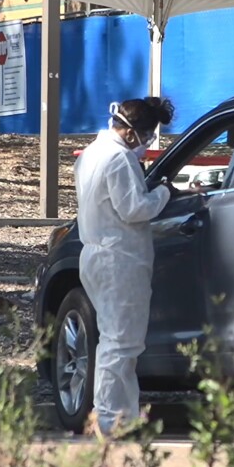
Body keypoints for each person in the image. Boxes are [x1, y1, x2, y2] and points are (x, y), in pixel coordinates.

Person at [74, 96, 175, 435]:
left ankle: (123, 418)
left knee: (115, 342)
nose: (147, 144)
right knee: (121, 344)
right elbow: (134, 209)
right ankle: (108, 420)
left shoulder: (91, 153)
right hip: (119, 259)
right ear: (134, 133)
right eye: (148, 136)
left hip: (95, 254)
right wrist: (164, 193)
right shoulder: (118, 159)